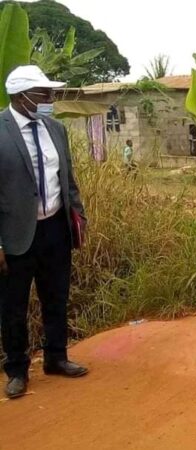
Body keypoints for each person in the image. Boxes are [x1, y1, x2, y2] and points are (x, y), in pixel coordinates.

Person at [0, 65, 89, 399]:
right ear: (22, 97)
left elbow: (67, 178)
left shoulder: (55, 128)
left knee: (56, 297)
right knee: (13, 307)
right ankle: (17, 370)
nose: (51, 99)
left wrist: (77, 214)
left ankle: (56, 357)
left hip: (55, 229)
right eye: (44, 94)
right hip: (15, 235)